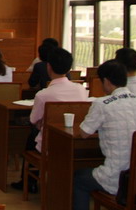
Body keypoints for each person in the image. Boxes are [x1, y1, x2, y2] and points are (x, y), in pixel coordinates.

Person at [71, 60, 136, 210]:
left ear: (107, 81)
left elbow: (84, 133)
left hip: (117, 177)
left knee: (79, 179)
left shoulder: (102, 104)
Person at [12, 48, 89, 192]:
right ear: (69, 68)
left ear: (49, 67)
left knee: (32, 136)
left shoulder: (43, 94)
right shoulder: (80, 89)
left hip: (51, 144)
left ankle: (29, 182)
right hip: (74, 142)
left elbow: (33, 120)